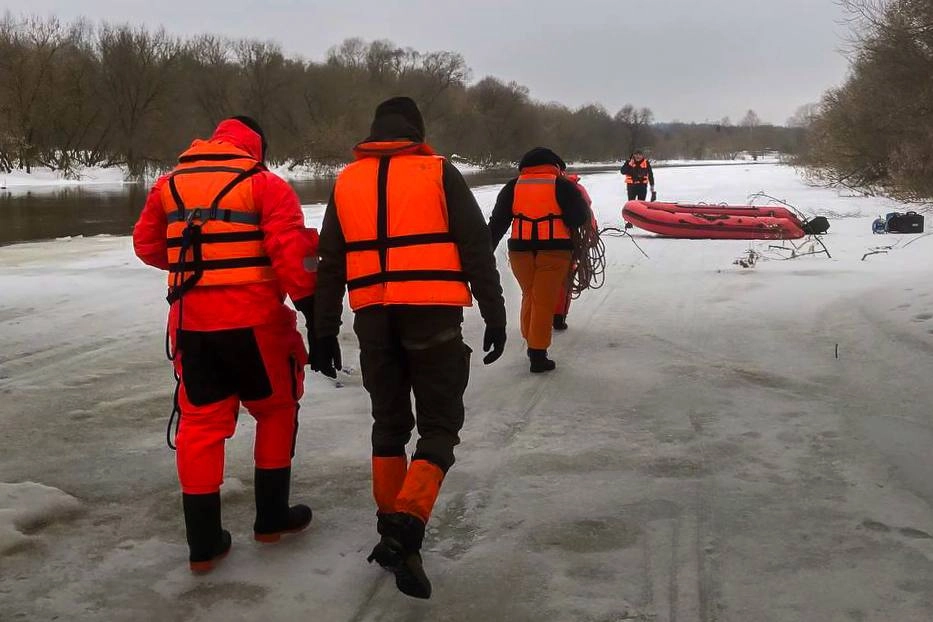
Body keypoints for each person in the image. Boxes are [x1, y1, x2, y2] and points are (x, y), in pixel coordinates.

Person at [311, 97, 507, 599]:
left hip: (373, 320)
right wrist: (494, 311)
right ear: (416, 132)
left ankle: (393, 531)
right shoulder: (438, 172)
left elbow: (330, 262)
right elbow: (475, 248)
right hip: (432, 317)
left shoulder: (347, 180)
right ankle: (404, 525)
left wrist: (324, 329)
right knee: (439, 427)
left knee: (389, 426)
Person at [133, 116, 319, 574]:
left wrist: (197, 265)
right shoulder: (265, 185)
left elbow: (145, 245)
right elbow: (293, 259)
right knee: (276, 409)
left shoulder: (168, 187)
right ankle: (271, 519)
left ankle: (203, 545)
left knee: (200, 426)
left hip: (193, 326)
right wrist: (317, 313)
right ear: (257, 148)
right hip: (256, 325)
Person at [488, 148, 590, 371]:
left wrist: (484, 252)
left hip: (520, 251)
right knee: (544, 300)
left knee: (530, 294)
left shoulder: (513, 186)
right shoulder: (562, 186)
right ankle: (537, 354)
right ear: (555, 166)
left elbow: (497, 222)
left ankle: (531, 337)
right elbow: (579, 217)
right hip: (555, 250)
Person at [553, 170, 594, 331]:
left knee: (535, 286)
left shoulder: (530, 186)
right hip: (567, 243)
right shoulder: (575, 189)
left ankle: (541, 318)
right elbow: (586, 213)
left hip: (532, 245)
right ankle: (558, 316)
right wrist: (590, 235)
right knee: (564, 281)